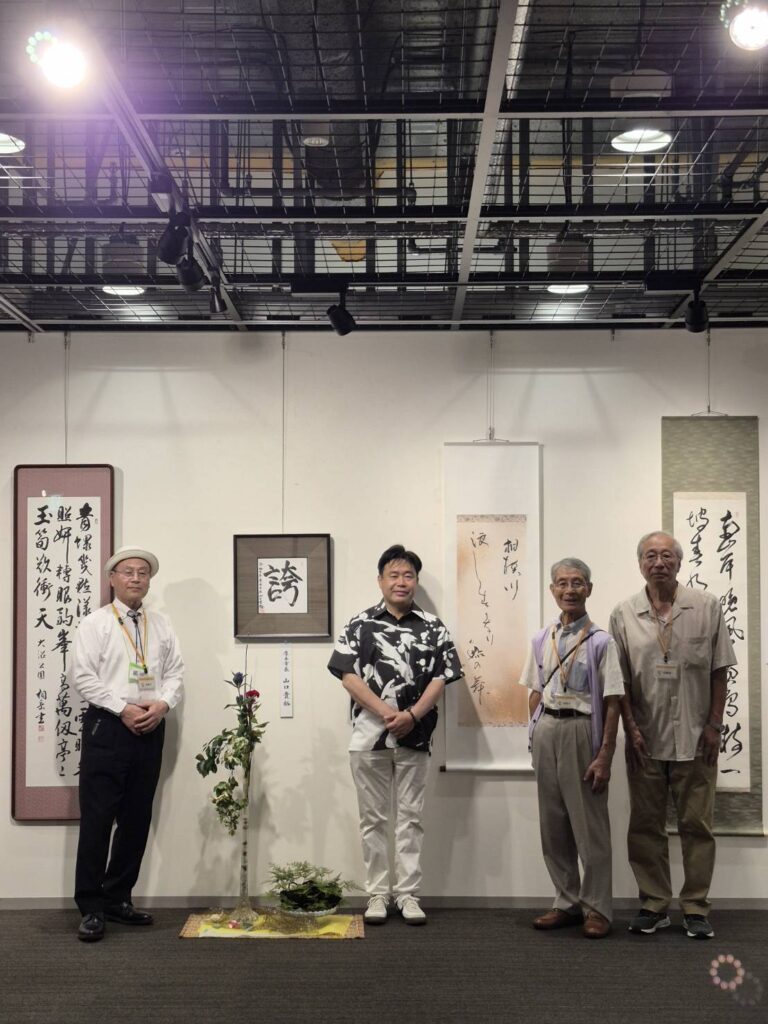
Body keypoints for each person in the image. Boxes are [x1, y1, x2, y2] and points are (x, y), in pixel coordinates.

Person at [609, 531, 735, 940]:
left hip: (697, 739)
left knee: (697, 826)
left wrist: (714, 725)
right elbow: (619, 681)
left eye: (666, 556)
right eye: (650, 556)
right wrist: (630, 728)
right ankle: (654, 904)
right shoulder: (623, 613)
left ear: (679, 563)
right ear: (640, 564)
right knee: (645, 826)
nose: (658, 563)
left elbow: (720, 670)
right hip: (645, 739)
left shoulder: (706, 606)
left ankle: (696, 907)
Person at [328, 544, 462, 926]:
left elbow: (441, 678)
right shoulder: (360, 624)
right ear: (380, 580)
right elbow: (347, 676)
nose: (401, 582)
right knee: (372, 819)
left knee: (411, 818)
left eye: (408, 575)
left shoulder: (433, 626)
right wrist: (388, 713)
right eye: (394, 575)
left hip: (416, 736)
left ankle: (407, 894)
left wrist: (412, 715)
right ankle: (376, 893)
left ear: (415, 581)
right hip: (368, 737)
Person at [70, 545, 184, 942]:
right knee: (98, 818)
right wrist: (123, 709)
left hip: (151, 725)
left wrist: (162, 704)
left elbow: (176, 672)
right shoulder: (96, 623)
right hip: (109, 726)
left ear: (149, 580)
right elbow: (82, 676)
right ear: (112, 579)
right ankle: (91, 907)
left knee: (136, 818)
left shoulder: (161, 625)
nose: (136, 578)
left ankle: (118, 898)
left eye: (142, 573)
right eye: (128, 572)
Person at [519, 558, 623, 939]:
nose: (569, 590)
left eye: (577, 582)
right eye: (562, 583)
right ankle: (566, 902)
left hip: (582, 731)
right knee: (553, 824)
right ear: (552, 590)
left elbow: (613, 700)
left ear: (589, 589)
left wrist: (605, 755)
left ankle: (597, 908)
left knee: (589, 827)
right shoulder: (541, 639)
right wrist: (536, 733)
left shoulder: (601, 642)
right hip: (548, 729)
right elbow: (534, 690)